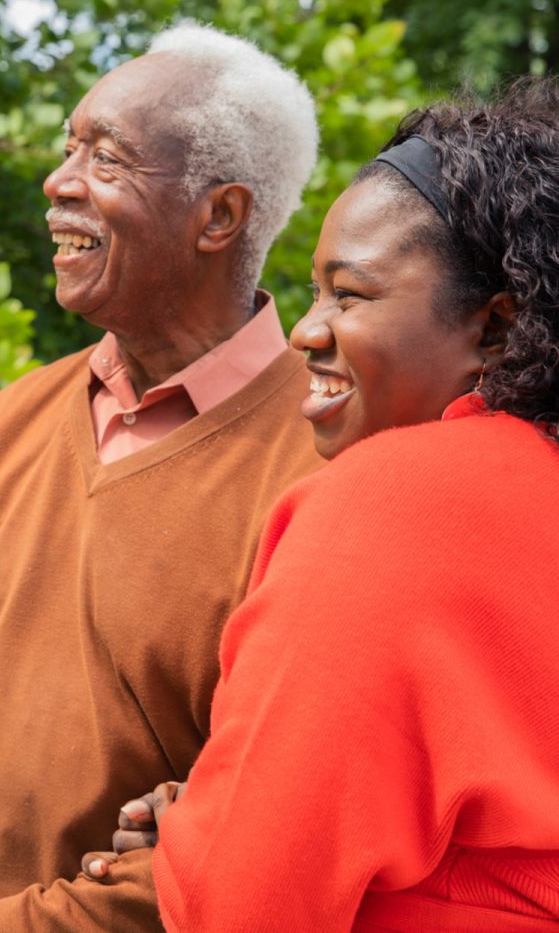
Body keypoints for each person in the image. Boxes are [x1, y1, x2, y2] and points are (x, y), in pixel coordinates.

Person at [0, 24, 324, 930]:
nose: (59, 180)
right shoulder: (2, 430)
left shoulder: (323, 466)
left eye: (109, 157)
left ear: (219, 217)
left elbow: (256, 838)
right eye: (68, 145)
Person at [87, 77, 559, 931]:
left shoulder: (394, 503)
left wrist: (198, 846)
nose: (306, 330)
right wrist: (219, 811)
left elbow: (243, 902)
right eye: (312, 291)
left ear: (492, 329)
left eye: (352, 294)